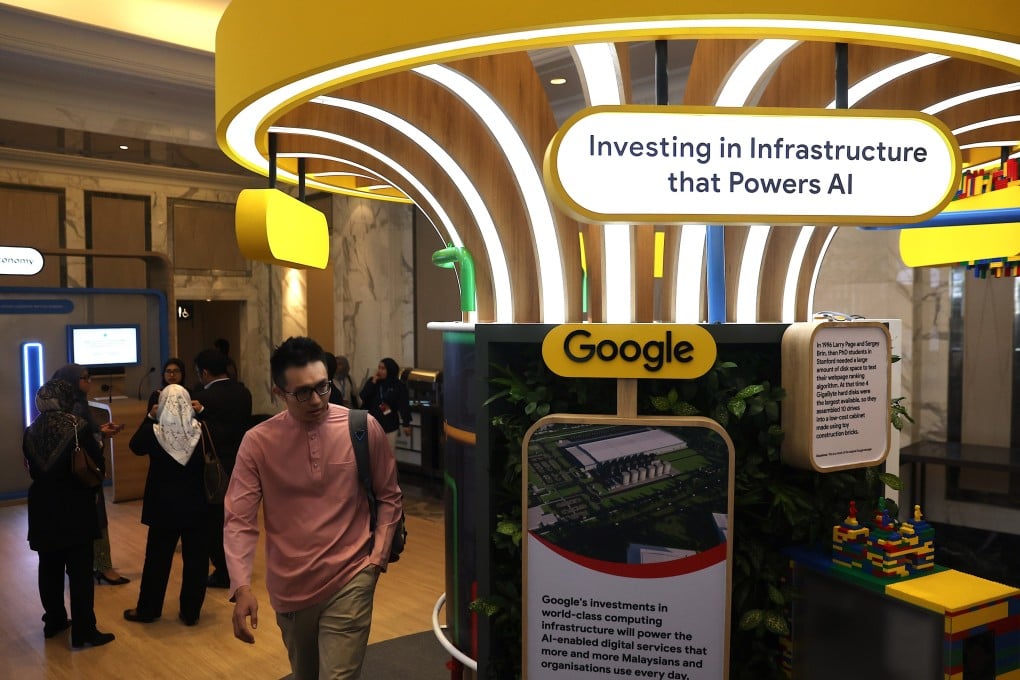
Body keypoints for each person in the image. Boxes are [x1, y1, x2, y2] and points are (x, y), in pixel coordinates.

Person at [224, 337, 402, 680]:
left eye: (323, 386)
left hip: (352, 576)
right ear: (279, 392)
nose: (318, 399)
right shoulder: (258, 442)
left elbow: (389, 495)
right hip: (290, 590)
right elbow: (239, 520)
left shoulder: (362, 428)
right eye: (303, 392)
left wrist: (376, 559)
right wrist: (241, 586)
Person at [23, 379, 116, 648]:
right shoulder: (78, 426)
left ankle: (54, 622)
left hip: (41, 507)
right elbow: (95, 465)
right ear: (66, 399)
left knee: (48, 567)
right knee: (80, 572)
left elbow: (31, 469)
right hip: (75, 505)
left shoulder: (30, 431)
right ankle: (84, 631)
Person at [124, 384, 208, 626]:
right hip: (196, 504)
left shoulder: (154, 431)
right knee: (196, 561)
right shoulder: (200, 429)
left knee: (157, 561)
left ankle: (148, 610)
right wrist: (201, 413)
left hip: (162, 507)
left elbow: (135, 446)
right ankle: (191, 613)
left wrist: (150, 416)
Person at [51, 363, 129, 586]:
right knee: (95, 520)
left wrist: (99, 431)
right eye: (85, 378)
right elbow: (80, 442)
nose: (89, 381)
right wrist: (98, 436)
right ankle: (102, 567)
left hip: (75, 477)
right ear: (72, 382)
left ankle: (94, 565)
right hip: (85, 476)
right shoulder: (78, 407)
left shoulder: (69, 404)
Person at [192, 348, 253, 588]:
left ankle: (224, 571)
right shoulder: (243, 392)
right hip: (241, 462)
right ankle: (239, 567)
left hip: (213, 467)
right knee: (237, 520)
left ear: (204, 372)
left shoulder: (202, 399)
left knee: (214, 523)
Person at [359, 357, 412, 449]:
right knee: (372, 454)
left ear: (390, 370)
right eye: (379, 368)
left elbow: (404, 405)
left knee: (388, 454)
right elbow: (363, 395)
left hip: (389, 425)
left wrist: (406, 423)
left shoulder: (398, 385)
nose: (380, 370)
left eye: (383, 368)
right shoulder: (373, 381)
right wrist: (373, 382)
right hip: (371, 424)